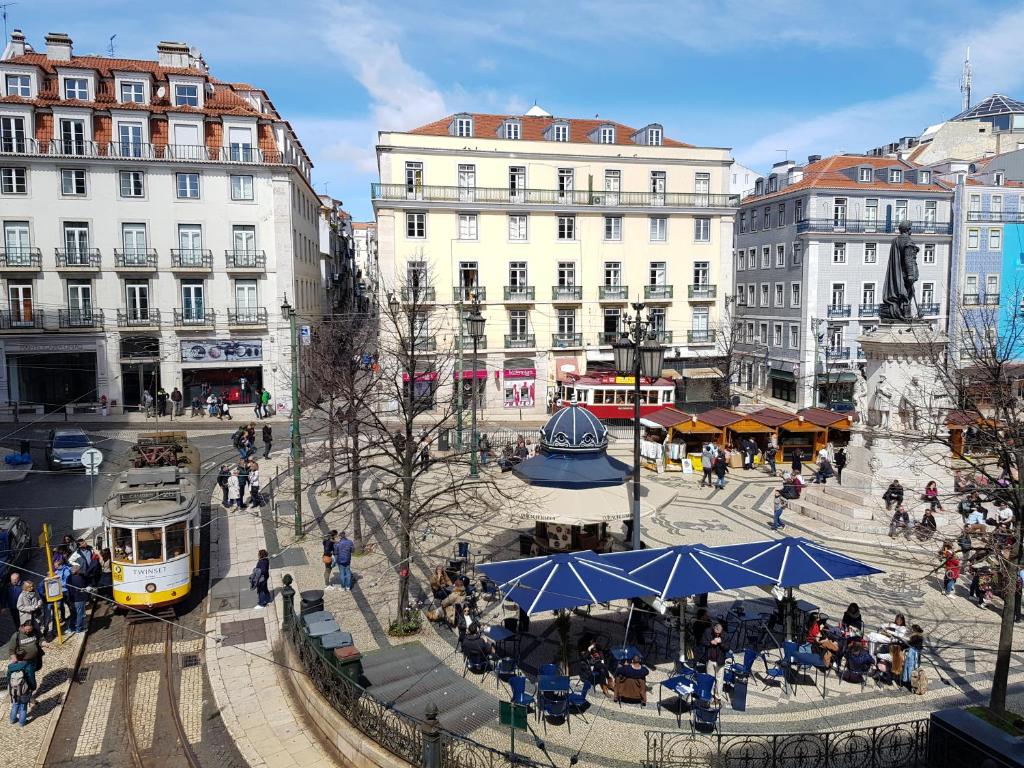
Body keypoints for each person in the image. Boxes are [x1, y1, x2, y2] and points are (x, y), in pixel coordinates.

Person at [7, 647, 36, 727]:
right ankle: (22, 723)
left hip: (13, 689)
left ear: (16, 656)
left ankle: (12, 720)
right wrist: (33, 687)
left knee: (15, 704)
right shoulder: (27, 666)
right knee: (23, 706)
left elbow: (8, 678)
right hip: (24, 690)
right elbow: (31, 678)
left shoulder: (11, 666)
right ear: (24, 656)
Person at [704, 623, 729, 695]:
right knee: (710, 679)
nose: (717, 635)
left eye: (719, 633)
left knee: (719, 680)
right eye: (716, 633)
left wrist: (721, 643)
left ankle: (718, 697)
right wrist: (710, 642)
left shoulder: (725, 635)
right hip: (710, 660)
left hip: (720, 661)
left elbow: (727, 648)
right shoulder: (708, 632)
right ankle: (710, 694)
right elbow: (702, 642)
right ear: (713, 629)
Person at [67, 564, 90, 634]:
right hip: (79, 599)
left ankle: (71, 628)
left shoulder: (68, 578)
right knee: (80, 614)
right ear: (77, 571)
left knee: (73, 614)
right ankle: (79, 629)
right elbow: (84, 586)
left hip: (71, 599)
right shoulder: (80, 578)